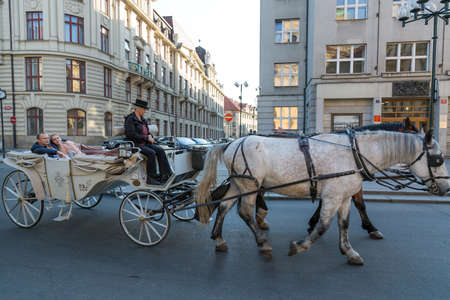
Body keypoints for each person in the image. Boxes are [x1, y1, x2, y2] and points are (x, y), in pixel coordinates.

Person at [125, 99, 173, 185]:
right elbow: (131, 135)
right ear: (138, 108)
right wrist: (146, 137)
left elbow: (147, 132)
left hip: (145, 143)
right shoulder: (130, 119)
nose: (145, 111)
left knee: (160, 150)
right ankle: (151, 178)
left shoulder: (143, 120)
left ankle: (165, 174)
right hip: (136, 144)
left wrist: (150, 137)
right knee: (151, 153)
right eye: (144, 109)